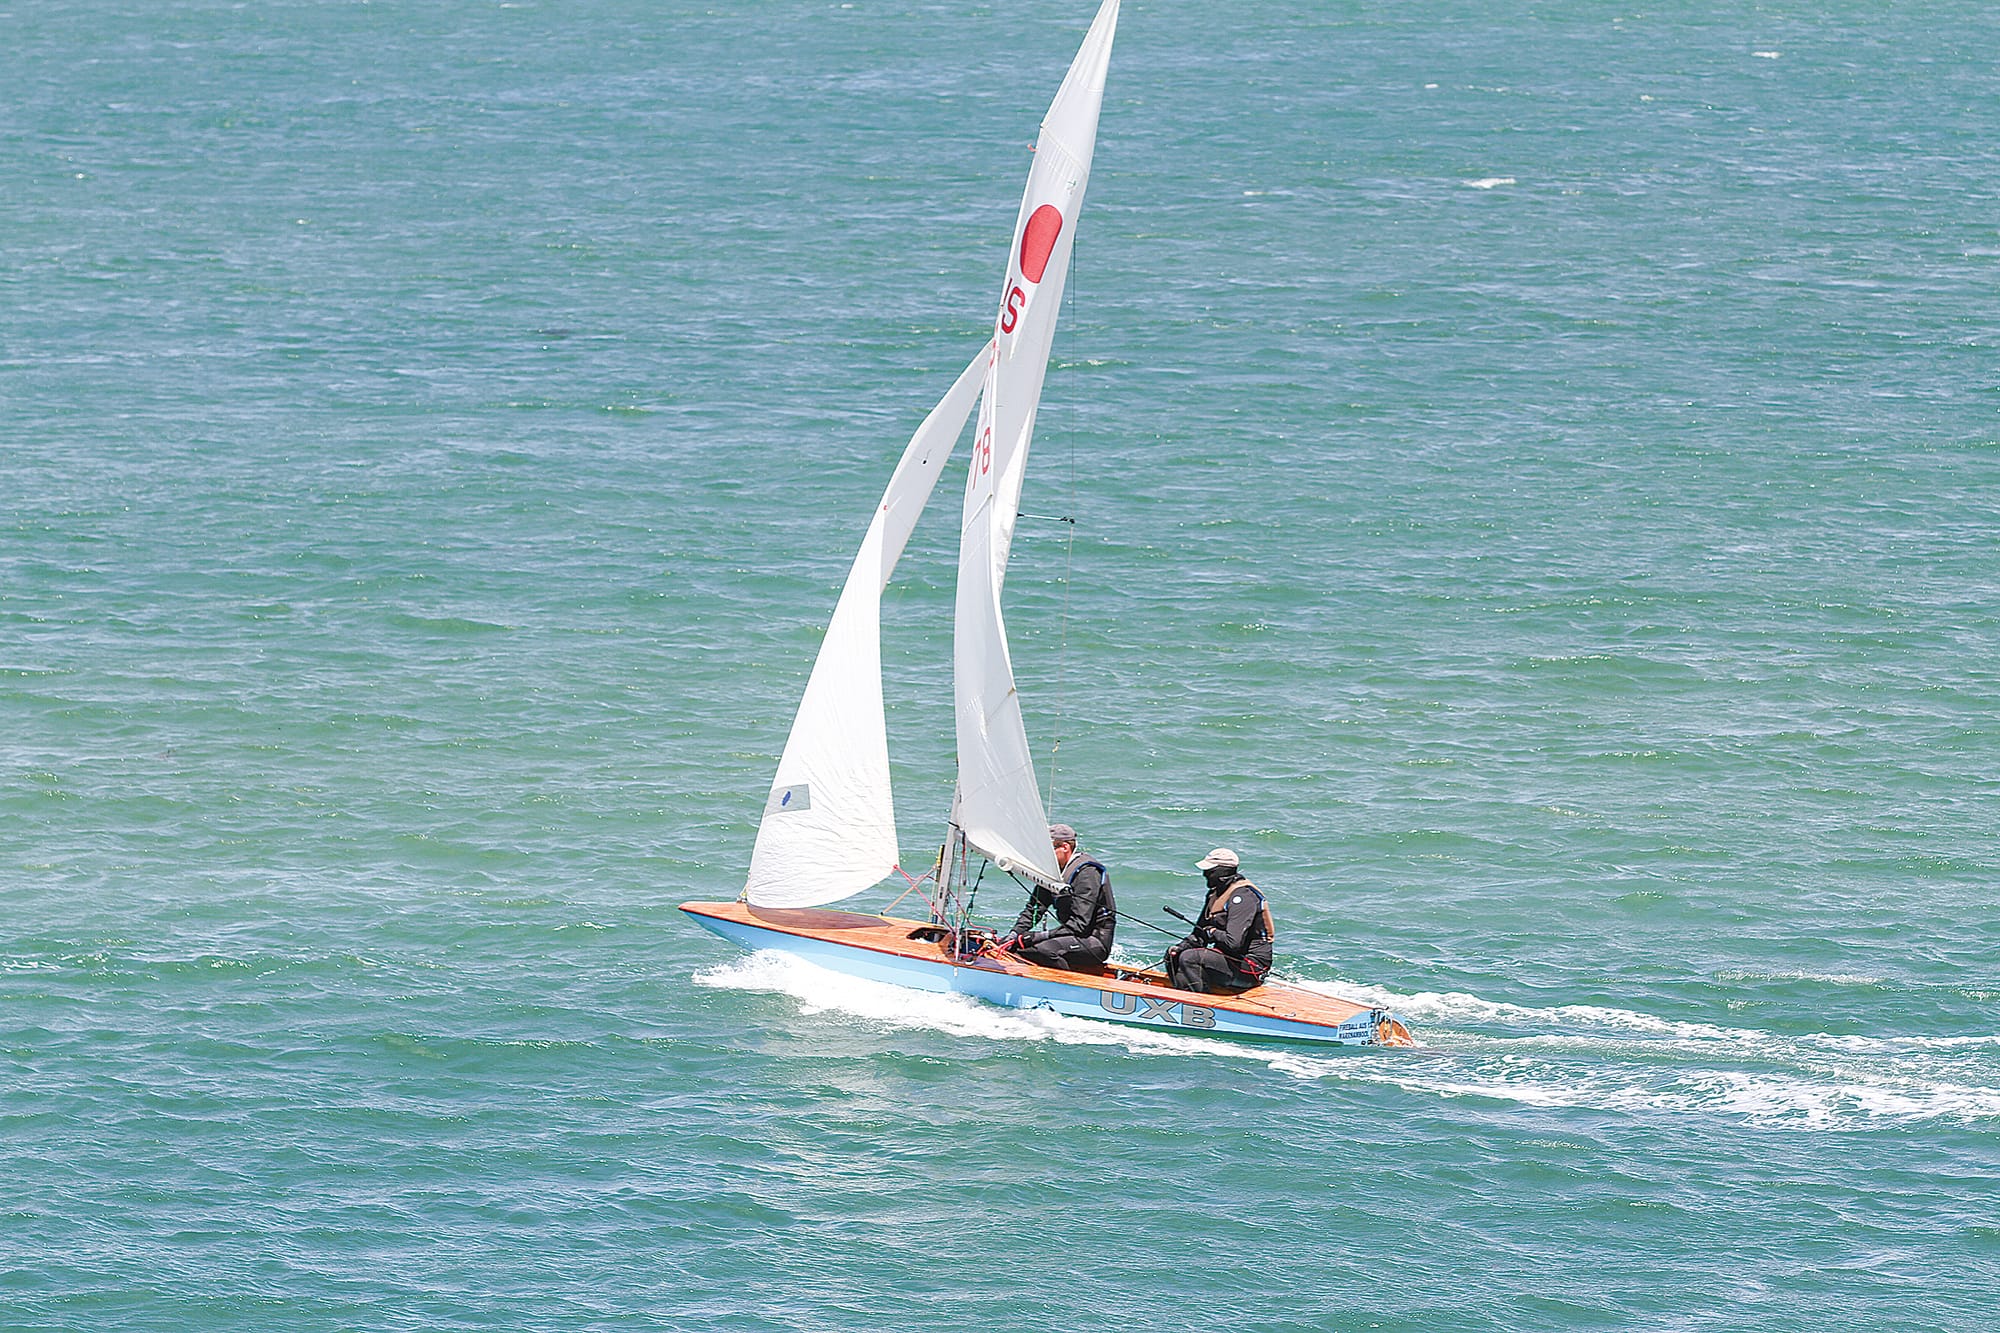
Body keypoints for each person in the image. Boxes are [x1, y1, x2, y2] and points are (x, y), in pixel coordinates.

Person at [1001, 823, 1115, 972]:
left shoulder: (1087, 872)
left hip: (1094, 942)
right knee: (1018, 948)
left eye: (1047, 850)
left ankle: (1071, 988)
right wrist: (1014, 934)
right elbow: (1034, 909)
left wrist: (1040, 936)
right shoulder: (1053, 872)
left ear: (1065, 847)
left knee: (1045, 950)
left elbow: (1080, 924)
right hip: (1070, 936)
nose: (1043, 855)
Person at [1164, 848, 1274, 994]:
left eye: (1209, 871)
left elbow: (1233, 943)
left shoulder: (1243, 896)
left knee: (1190, 958)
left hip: (1251, 966)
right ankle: (1183, 996)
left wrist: (1213, 932)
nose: (1204, 874)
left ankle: (1201, 1005)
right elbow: (1200, 933)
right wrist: (1181, 946)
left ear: (1222, 871)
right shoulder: (1215, 894)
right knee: (1175, 954)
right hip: (1227, 960)